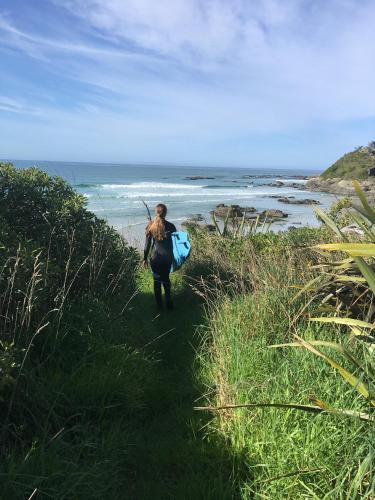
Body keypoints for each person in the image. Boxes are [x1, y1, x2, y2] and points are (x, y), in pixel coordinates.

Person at [143, 203, 176, 310]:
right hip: (167, 258)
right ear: (165, 213)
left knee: (156, 280)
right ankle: (169, 305)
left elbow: (147, 245)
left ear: (156, 212)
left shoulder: (150, 226)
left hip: (155, 258)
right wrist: (175, 258)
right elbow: (175, 244)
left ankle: (159, 307)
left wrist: (144, 258)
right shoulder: (171, 226)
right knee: (166, 280)